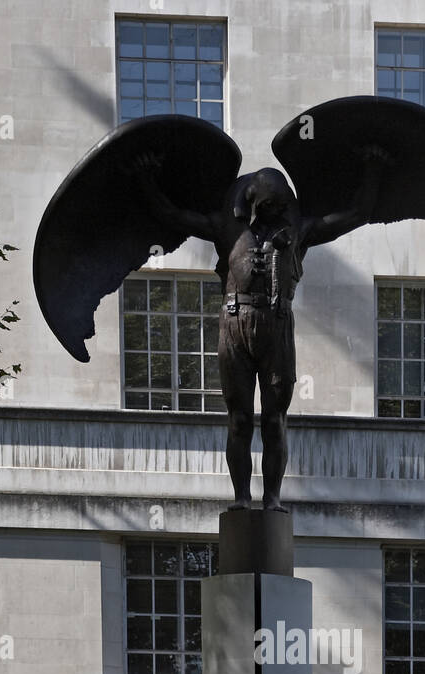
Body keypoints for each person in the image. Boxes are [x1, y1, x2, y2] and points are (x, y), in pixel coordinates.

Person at [131, 151, 389, 510]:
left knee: (274, 420)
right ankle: (241, 499)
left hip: (277, 326)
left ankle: (271, 499)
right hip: (234, 324)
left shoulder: (300, 231)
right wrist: (147, 179)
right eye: (274, 205)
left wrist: (373, 168)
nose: (282, 211)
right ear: (254, 206)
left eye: (285, 204)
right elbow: (171, 215)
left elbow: (357, 214)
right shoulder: (225, 228)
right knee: (238, 420)